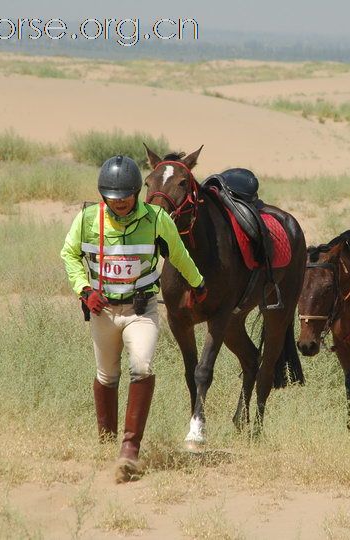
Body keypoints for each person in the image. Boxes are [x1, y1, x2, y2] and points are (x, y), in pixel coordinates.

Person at [60, 155, 207, 482]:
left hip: (142, 311)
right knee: (107, 375)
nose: (120, 203)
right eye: (113, 198)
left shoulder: (155, 220)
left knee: (141, 366)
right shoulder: (87, 220)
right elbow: (69, 255)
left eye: (126, 197)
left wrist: (198, 283)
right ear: (103, 195)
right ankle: (106, 441)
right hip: (103, 311)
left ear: (137, 193)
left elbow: (179, 255)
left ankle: (130, 449)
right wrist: (84, 289)